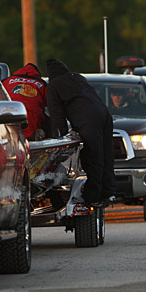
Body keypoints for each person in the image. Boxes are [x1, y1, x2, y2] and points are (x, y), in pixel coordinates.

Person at [46, 58, 116, 206]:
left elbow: (56, 113)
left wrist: (63, 134)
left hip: (87, 118)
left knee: (92, 157)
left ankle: (92, 197)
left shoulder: (54, 85)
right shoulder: (78, 78)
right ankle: (108, 192)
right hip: (104, 114)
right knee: (106, 155)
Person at [2, 63, 47, 140]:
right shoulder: (42, 84)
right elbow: (49, 103)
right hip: (32, 115)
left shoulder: (6, 81)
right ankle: (32, 137)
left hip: (10, 113)